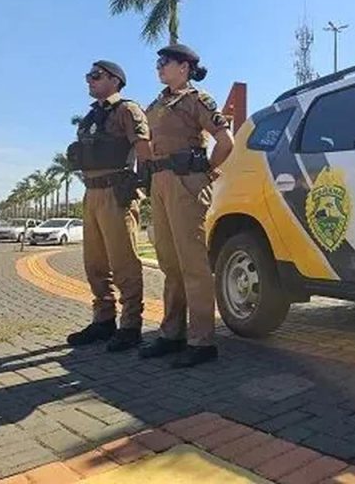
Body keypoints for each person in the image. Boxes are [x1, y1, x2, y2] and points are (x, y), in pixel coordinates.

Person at [138, 44, 234, 368]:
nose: (159, 67)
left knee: (193, 264)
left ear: (184, 67)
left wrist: (207, 174)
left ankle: (202, 340)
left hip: (185, 183)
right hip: (160, 183)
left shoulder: (197, 100)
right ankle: (172, 334)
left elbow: (225, 141)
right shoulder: (155, 105)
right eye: (158, 62)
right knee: (170, 263)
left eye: (165, 62)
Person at [65, 60, 153, 352]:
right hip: (91, 195)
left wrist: (141, 183)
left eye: (95, 76)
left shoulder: (127, 109)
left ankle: (130, 325)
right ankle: (103, 321)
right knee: (95, 264)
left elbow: (143, 148)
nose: (89, 80)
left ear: (115, 80)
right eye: (88, 76)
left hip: (117, 193)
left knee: (123, 261)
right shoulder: (90, 116)